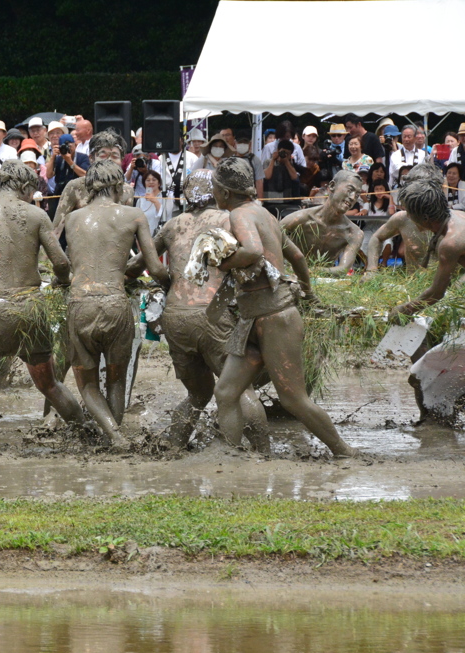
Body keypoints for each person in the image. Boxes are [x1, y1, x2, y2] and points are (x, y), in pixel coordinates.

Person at [211, 157, 359, 458]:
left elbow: (252, 250)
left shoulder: (240, 214)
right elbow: (299, 259)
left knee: (293, 399)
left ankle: (344, 452)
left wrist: (220, 262)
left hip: (275, 317)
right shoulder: (264, 214)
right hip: (255, 317)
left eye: (215, 188)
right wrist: (306, 290)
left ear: (225, 192)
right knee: (225, 393)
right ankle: (230, 458)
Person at [133, 170, 269, 450]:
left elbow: (140, 264)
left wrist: (164, 282)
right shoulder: (229, 219)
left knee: (198, 393)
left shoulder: (172, 225)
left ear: (186, 194)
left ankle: (173, 449)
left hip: (176, 316)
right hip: (212, 315)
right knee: (242, 391)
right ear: (219, 192)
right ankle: (265, 454)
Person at [0, 160, 83, 445]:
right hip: (31, 307)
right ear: (26, 187)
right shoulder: (36, 215)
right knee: (49, 384)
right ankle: (85, 431)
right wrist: (61, 283)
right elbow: (61, 263)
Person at [64, 160, 168, 445]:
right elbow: (156, 268)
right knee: (116, 379)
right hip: (115, 304)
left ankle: (111, 434)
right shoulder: (134, 215)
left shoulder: (74, 218)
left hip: (81, 303)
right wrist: (171, 286)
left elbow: (68, 261)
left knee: (86, 383)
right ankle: (115, 436)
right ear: (118, 186)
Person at [387, 178, 465, 323]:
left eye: (409, 213)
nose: (408, 217)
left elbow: (436, 293)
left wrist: (404, 310)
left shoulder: (450, 243)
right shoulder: (453, 215)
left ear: (424, 218)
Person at [363, 163, 445, 277]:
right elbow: (376, 238)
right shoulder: (403, 218)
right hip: (414, 285)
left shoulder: (454, 221)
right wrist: (371, 269)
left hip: (447, 287)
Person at [51, 130, 132, 242]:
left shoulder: (127, 191)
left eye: (115, 156)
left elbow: (127, 233)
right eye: (103, 155)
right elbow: (55, 233)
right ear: (91, 158)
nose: (109, 160)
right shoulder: (76, 187)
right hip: (79, 252)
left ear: (122, 160)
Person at [279, 170, 363, 274]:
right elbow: (272, 237)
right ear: (332, 186)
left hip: (324, 280)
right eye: (350, 190)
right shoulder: (302, 218)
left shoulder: (354, 233)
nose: (353, 197)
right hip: (293, 276)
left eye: (357, 195)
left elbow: (343, 269)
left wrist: (309, 271)